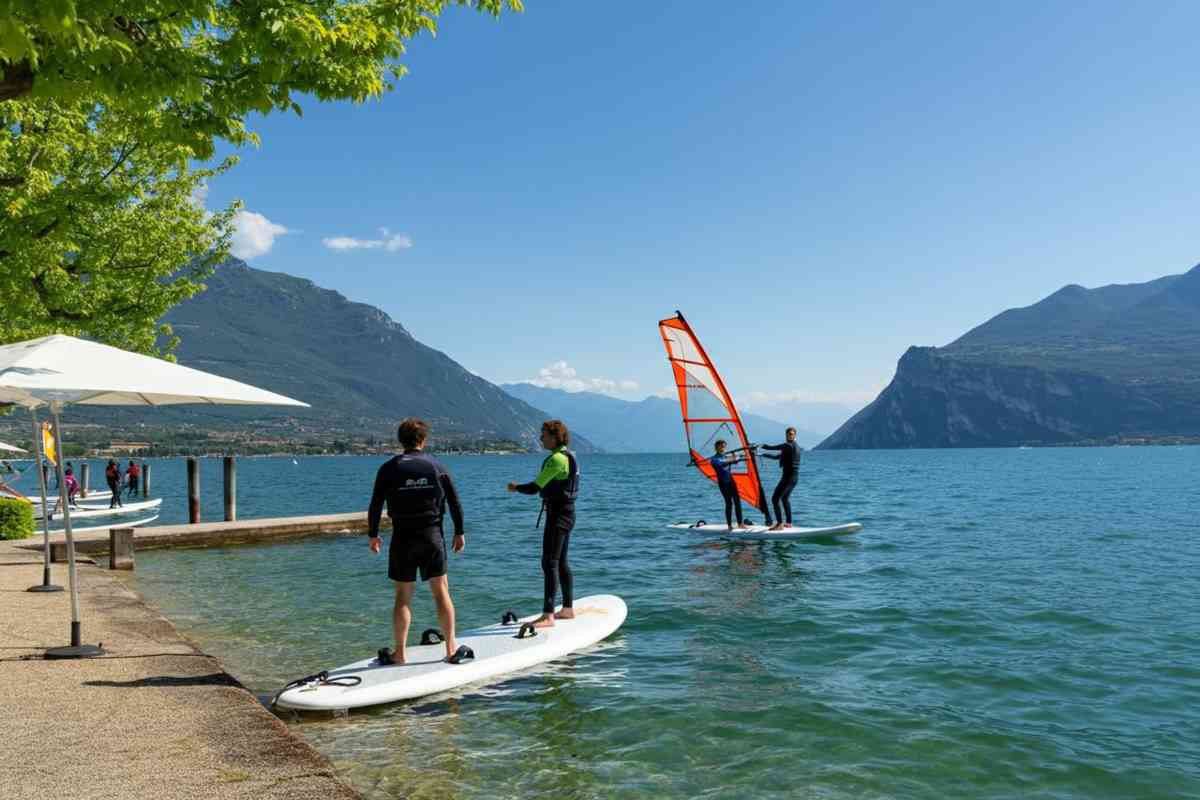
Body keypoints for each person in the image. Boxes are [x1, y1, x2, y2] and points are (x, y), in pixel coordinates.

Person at [367, 418, 471, 666]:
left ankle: (400, 653)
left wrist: (373, 534)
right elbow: (455, 502)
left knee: (403, 596)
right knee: (441, 591)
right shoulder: (437, 466)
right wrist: (459, 532)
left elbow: (375, 504)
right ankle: (450, 648)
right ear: (423, 440)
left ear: (400, 440)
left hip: (402, 537)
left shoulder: (389, 468)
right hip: (431, 536)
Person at [507, 420, 580, 628]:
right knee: (561, 562)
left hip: (557, 517)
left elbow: (534, 488)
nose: (541, 438)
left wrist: (515, 487)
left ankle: (548, 615)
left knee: (549, 562)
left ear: (555, 437)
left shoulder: (556, 459)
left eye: (544, 435)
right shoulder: (570, 456)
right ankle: (567, 609)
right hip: (568, 515)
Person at [760, 427, 803, 531]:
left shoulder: (790, 446)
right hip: (789, 477)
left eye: (792, 434)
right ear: (786, 435)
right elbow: (777, 457)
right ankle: (788, 523)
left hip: (790, 478)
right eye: (788, 434)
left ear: (795, 435)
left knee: (775, 499)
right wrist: (761, 454)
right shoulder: (787, 448)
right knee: (784, 499)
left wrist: (764, 446)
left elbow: (775, 447)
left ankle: (779, 524)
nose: (790, 436)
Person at [709, 439, 751, 531]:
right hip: (723, 483)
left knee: (737, 502)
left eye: (724, 446)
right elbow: (722, 463)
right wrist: (733, 458)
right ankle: (729, 525)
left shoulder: (726, 457)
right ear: (716, 447)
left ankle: (740, 524)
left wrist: (746, 456)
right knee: (729, 503)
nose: (723, 448)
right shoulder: (714, 459)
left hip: (731, 481)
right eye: (721, 446)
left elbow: (736, 460)